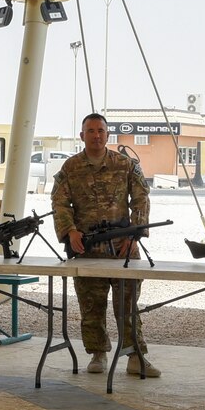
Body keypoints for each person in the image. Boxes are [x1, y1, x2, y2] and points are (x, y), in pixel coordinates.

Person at [51, 113, 160, 378]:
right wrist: (70, 231)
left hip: (123, 250)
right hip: (86, 251)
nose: (96, 135)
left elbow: (141, 198)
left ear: (107, 135)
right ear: (82, 136)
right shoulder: (70, 168)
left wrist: (135, 233)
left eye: (101, 130)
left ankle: (135, 357)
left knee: (128, 308)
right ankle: (98, 353)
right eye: (91, 131)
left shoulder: (125, 165)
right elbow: (59, 202)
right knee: (91, 307)